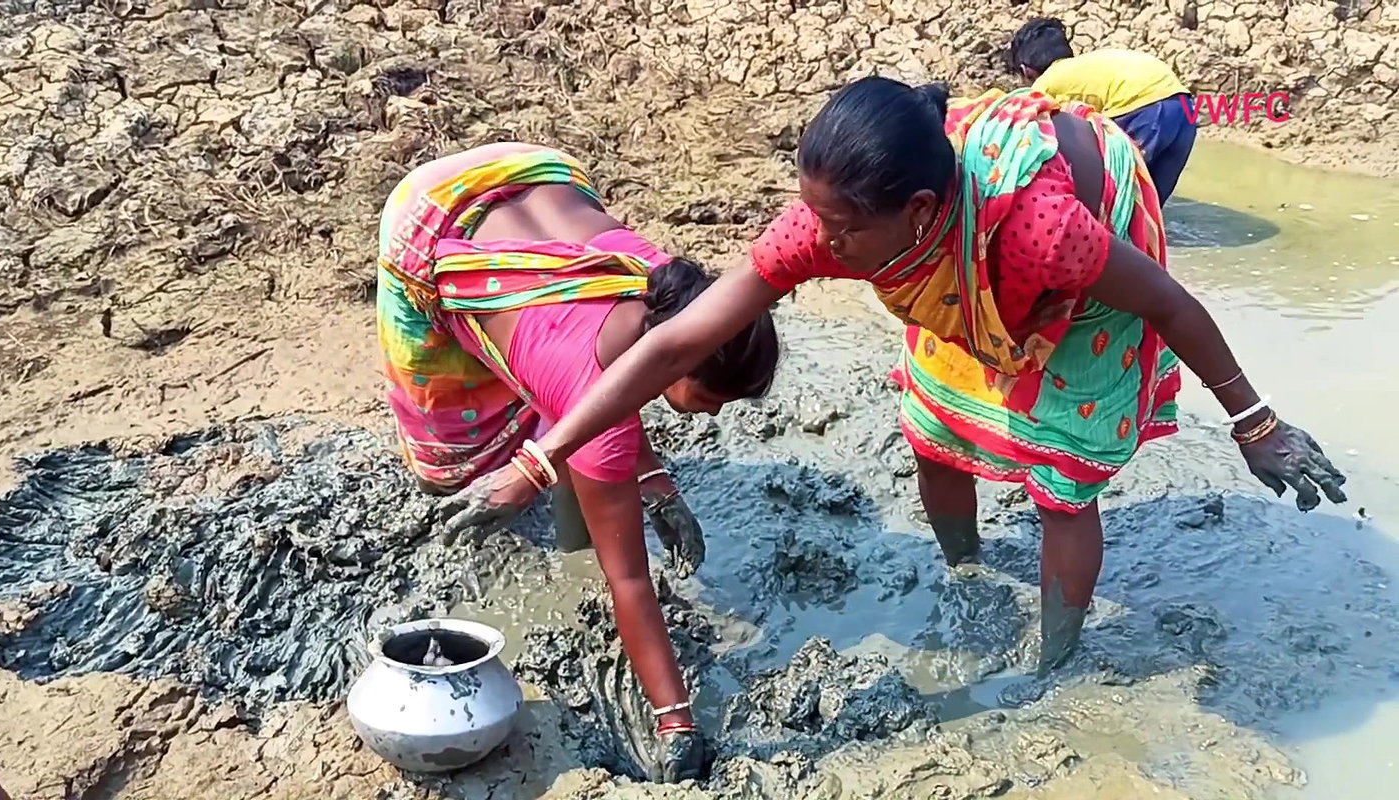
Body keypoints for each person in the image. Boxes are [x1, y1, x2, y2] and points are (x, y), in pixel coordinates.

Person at [437, 80, 1347, 675]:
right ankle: (967, 572)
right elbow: (676, 345)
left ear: (916, 211)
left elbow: (1171, 305)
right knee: (937, 424)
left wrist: (1256, 423)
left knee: (1064, 482)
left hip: (1081, 270)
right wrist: (542, 457)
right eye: (814, 216)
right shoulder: (839, 225)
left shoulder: (1043, 231)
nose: (820, 246)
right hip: (961, 275)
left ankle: (1054, 658)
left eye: (841, 230)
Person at [378, 142, 781, 780]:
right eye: (712, 398)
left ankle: (564, 481)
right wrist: (675, 720)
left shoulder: (668, 286)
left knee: (555, 399)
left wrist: (657, 488)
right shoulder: (594, 399)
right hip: (425, 218)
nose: (711, 415)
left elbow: (616, 377)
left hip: (535, 171)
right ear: (675, 357)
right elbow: (630, 582)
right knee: (450, 457)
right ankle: (533, 497)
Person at [1009, 17, 1197, 205]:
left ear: (1026, 71)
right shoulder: (1087, 66)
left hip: (1146, 108)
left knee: (1114, 196)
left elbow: (1019, 133)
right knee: (1151, 204)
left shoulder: (1046, 83)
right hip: (1184, 107)